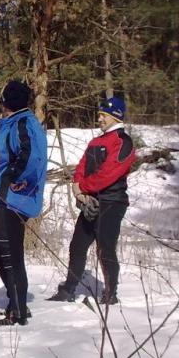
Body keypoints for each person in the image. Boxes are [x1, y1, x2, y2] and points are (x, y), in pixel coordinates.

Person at [47, 97, 135, 305]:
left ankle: (110, 293)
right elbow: (81, 167)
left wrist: (83, 188)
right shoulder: (95, 142)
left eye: (104, 115)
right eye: (100, 114)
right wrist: (77, 189)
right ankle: (68, 290)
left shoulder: (124, 142)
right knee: (77, 245)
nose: (99, 118)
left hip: (112, 202)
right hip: (89, 201)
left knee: (105, 249)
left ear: (116, 116)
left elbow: (108, 174)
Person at [0, 80, 48, 327]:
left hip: (14, 200)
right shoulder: (16, 122)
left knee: (11, 255)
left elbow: (32, 157)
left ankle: (18, 312)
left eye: (2, 100)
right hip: (7, 197)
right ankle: (16, 301)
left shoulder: (24, 123)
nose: (0, 105)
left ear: (7, 101)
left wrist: (14, 179)